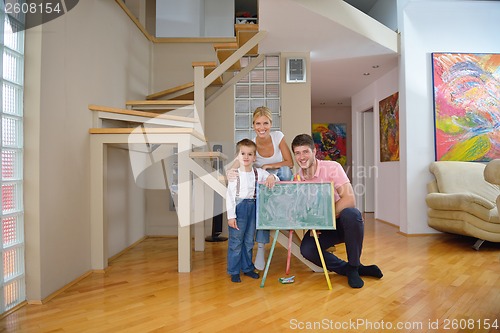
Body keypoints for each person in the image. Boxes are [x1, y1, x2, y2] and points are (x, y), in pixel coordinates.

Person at [290, 134, 383, 288]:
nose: (302, 157)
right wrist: (313, 223)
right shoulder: (297, 178)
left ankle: (354, 266)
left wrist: (322, 219)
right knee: (307, 249)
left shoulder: (332, 167)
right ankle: (350, 269)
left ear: (314, 151)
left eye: (305, 151)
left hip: (342, 222)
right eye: (298, 153)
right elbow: (305, 210)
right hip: (324, 227)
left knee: (352, 214)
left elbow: (349, 199)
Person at [229, 106, 294, 270]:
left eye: (265, 123)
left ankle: (284, 208)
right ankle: (260, 250)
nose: (262, 127)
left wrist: (269, 166)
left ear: (271, 124)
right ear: (253, 125)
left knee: (286, 171)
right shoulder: (252, 144)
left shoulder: (278, 137)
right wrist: (231, 171)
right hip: (264, 188)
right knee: (261, 204)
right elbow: (237, 161)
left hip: (278, 180)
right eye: (258, 123)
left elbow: (290, 163)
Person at [226, 139, 279, 283]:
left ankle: (247, 267)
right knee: (236, 242)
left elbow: (276, 177)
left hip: (253, 208)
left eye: (250, 154)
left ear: (254, 157)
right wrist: (231, 216)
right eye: (243, 153)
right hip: (239, 208)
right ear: (237, 156)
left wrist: (270, 176)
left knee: (249, 241)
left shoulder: (258, 172)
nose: (246, 157)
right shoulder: (234, 174)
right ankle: (234, 271)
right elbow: (229, 196)